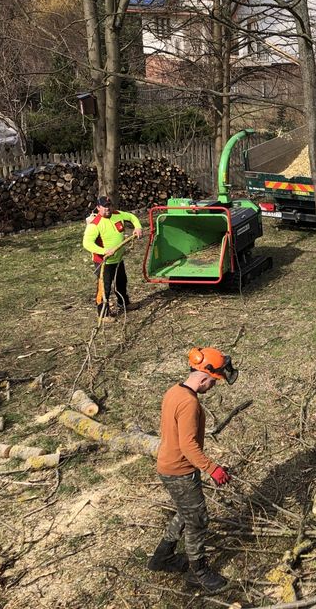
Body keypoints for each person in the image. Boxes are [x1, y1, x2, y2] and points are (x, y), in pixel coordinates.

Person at [149, 347, 237, 594]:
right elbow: (188, 445)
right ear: (203, 377)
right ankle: (198, 572)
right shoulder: (189, 403)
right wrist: (213, 469)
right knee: (198, 520)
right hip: (180, 470)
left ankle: (161, 557)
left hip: (168, 465)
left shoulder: (174, 391)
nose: (213, 387)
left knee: (186, 512)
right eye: (213, 382)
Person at [81, 195, 143, 322]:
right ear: (98, 207)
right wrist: (104, 251)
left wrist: (138, 227)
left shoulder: (117, 214)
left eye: (109, 205)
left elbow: (131, 217)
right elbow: (87, 243)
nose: (107, 208)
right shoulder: (95, 224)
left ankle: (123, 303)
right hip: (104, 262)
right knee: (105, 288)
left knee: (121, 282)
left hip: (118, 259)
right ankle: (103, 314)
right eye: (104, 206)